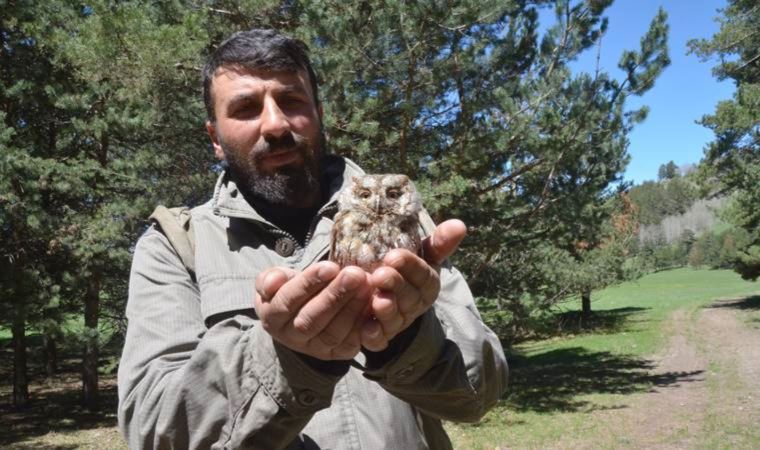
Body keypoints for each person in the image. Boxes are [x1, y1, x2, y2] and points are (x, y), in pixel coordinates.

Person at [117, 28, 508, 450]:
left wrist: (408, 338)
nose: (276, 124)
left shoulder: (406, 219)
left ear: (318, 112)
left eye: (291, 100)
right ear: (215, 138)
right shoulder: (176, 245)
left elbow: (481, 392)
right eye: (246, 108)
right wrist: (286, 358)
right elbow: (154, 429)